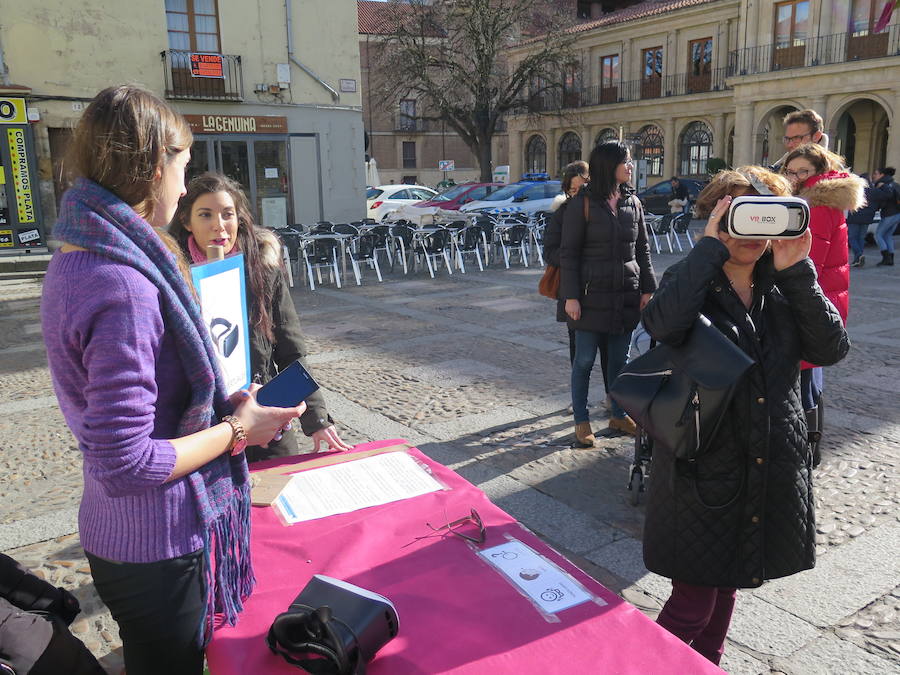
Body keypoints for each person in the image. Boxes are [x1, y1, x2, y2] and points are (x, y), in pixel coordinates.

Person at [40, 85, 305, 675]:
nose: (185, 189)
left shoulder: (81, 255)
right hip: (153, 540)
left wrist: (223, 403)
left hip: (121, 532)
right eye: (182, 170)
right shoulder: (123, 282)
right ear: (152, 167)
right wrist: (239, 428)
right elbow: (128, 460)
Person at [641, 166, 850, 665]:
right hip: (702, 470)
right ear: (717, 217)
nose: (751, 233)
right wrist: (708, 249)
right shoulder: (692, 280)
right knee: (692, 604)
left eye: (766, 218)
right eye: (740, 217)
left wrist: (798, 269)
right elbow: (663, 323)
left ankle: (708, 662)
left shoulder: (786, 286)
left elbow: (830, 347)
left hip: (767, 461)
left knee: (728, 585)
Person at [169, 172, 352, 462]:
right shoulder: (173, 279)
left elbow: (291, 351)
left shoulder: (263, 270)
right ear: (186, 221)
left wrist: (317, 421)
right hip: (205, 431)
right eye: (206, 215)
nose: (219, 226)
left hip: (267, 416)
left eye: (227, 214)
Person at [560, 141, 656, 445]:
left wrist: (648, 288)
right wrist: (571, 296)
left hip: (625, 294)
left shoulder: (633, 202)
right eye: (626, 161)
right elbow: (568, 254)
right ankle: (581, 420)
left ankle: (618, 413)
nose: (631, 166)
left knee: (619, 361)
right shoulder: (582, 204)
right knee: (585, 361)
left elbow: (642, 249)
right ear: (607, 166)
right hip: (589, 298)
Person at [782, 144, 864, 437]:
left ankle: (804, 443)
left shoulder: (815, 205)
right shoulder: (822, 200)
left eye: (803, 171)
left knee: (802, 381)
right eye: (790, 171)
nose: (795, 177)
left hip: (811, 300)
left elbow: (806, 262)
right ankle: (807, 439)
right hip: (824, 298)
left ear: (818, 172)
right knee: (809, 375)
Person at [544, 160, 590, 365]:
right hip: (572, 286)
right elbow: (549, 251)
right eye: (573, 190)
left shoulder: (602, 210)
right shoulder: (562, 213)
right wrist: (570, 255)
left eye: (583, 189)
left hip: (600, 288)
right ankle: (578, 395)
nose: (578, 195)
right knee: (578, 351)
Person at [846, 173, 878, 267]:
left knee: (852, 237)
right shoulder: (873, 190)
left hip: (855, 216)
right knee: (861, 238)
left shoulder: (856, 190)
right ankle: (858, 259)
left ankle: (859, 255)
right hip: (867, 217)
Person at [871, 167, 900, 266]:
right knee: (887, 235)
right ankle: (890, 258)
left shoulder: (884, 185)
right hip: (897, 214)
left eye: (876, 173)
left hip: (889, 214)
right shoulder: (895, 184)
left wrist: (878, 189)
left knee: (878, 235)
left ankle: (886, 258)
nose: (874, 176)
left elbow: (884, 197)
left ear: (882, 175)